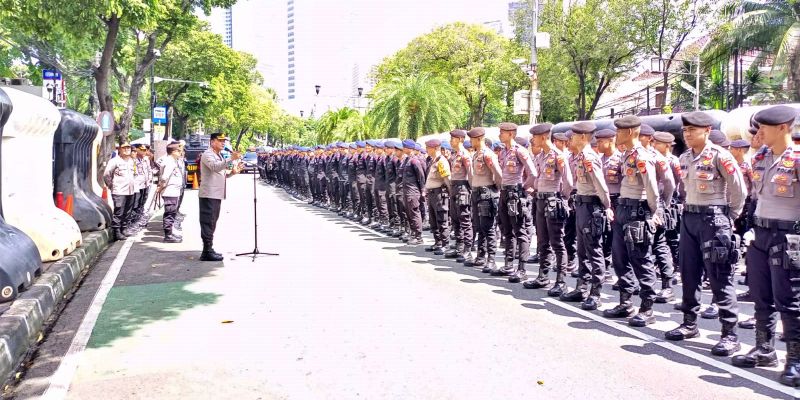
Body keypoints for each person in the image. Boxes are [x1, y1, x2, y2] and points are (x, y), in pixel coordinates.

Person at [664, 111, 746, 357]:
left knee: (720, 277)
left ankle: (729, 334)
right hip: (689, 218)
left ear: (707, 131)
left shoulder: (721, 156)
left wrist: (728, 218)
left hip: (714, 219)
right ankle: (689, 324)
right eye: (685, 131)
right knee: (689, 272)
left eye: (692, 131)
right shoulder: (685, 157)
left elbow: (738, 190)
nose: (687, 135)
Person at [731, 106, 800, 386]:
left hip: (788, 237)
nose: (758, 133)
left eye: (764, 128)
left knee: (789, 301)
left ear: (783, 127)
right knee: (762, 296)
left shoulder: (796, 159)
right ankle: (764, 349)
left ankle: (794, 360)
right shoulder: (760, 156)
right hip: (760, 235)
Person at [603, 115, 662, 328]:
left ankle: (647, 307)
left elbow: (652, 187)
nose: (616, 135)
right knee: (620, 256)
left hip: (638, 210)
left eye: (619, 132)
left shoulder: (641, 156)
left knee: (640, 259)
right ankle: (625, 302)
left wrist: (655, 212)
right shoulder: (626, 155)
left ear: (629, 133)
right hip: (623, 208)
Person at [559, 121, 612, 310]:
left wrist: (607, 206)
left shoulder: (589, 157)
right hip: (582, 205)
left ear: (582, 137)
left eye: (573, 136)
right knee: (582, 249)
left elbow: (600, 184)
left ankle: (596, 293)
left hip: (591, 207)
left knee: (594, 251)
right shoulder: (581, 156)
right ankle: (581, 287)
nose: (570, 139)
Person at [524, 124, 573, 293]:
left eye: (535, 137)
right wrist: (534, 189)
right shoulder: (541, 156)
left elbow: (568, 182)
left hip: (553, 201)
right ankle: (543, 276)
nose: (533, 140)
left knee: (557, 242)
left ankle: (561, 281)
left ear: (544, 137)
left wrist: (562, 199)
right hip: (540, 200)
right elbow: (538, 177)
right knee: (543, 241)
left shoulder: (558, 156)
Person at [495, 122, 537, 283]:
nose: (500, 134)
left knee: (520, 231)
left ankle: (522, 269)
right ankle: (508, 264)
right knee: (507, 230)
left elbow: (532, 173)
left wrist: (523, 189)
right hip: (505, 193)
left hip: (515, 194)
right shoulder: (504, 152)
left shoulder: (520, 151)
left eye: (503, 132)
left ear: (511, 134)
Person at [198, 132, 241, 261]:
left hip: (216, 194)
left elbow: (221, 173)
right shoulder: (207, 154)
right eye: (220, 140)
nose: (223, 143)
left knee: (212, 222)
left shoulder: (219, 154)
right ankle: (206, 251)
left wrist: (232, 173)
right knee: (207, 222)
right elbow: (215, 167)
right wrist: (230, 159)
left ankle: (209, 248)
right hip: (209, 194)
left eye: (224, 141)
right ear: (212, 142)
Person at [467, 127, 503, 272]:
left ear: (479, 139)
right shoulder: (476, 155)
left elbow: (498, 174)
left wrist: (496, 189)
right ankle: (481, 256)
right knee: (479, 226)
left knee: (488, 228)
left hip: (486, 194)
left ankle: (491, 259)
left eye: (472, 139)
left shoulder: (488, 155)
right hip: (477, 193)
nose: (470, 141)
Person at [103, 142, 137, 241]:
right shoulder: (114, 161)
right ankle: (116, 232)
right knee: (119, 211)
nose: (127, 150)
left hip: (130, 190)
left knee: (127, 211)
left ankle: (124, 229)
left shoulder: (131, 161)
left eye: (128, 148)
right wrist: (111, 185)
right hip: (119, 191)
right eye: (124, 148)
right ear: (120, 149)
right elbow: (106, 175)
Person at [423, 139, 451, 255]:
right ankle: (438, 242)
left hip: (439, 194)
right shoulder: (433, 160)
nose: (426, 150)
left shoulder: (441, 161)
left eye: (428, 148)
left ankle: (445, 244)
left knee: (441, 219)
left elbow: (447, 179)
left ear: (435, 148)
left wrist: (451, 193)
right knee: (433, 220)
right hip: (432, 194)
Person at [158, 142, 185, 243]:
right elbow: (165, 177)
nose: (180, 152)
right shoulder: (169, 161)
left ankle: (170, 233)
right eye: (178, 150)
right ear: (173, 151)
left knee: (172, 212)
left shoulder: (173, 161)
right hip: (170, 191)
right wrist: (161, 187)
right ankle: (168, 235)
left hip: (173, 191)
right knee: (169, 213)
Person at [401, 139, 426, 245]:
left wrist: (423, 190)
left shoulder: (414, 160)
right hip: (407, 191)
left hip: (413, 191)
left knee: (415, 213)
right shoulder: (407, 160)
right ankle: (413, 234)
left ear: (409, 148)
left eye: (404, 147)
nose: (403, 149)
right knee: (409, 213)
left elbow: (421, 176)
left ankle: (418, 236)